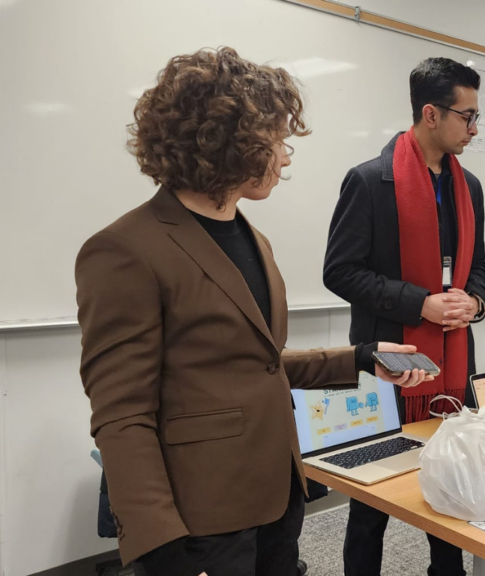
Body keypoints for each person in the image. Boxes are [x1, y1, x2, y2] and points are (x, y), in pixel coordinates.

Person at [76, 47, 430, 576]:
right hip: (201, 517)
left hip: (276, 491)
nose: (286, 157)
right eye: (278, 140)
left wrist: (358, 357)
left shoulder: (253, 238)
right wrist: (160, 547)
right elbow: (122, 414)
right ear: (230, 143)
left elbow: (252, 365)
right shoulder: (125, 250)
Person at [323, 57, 485, 576]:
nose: (474, 128)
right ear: (431, 113)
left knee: (451, 487)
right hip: (388, 367)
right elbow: (340, 272)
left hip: (452, 366)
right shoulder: (370, 182)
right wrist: (419, 303)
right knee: (373, 501)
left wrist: (474, 303)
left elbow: (477, 267)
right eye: (467, 116)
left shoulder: (470, 187)